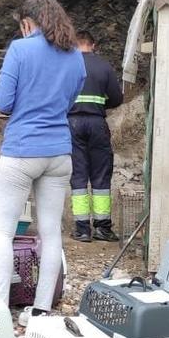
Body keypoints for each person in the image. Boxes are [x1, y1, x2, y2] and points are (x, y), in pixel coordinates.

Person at [0, 0, 85, 322]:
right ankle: (41, 309)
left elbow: (2, 102)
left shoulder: (20, 49)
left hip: (21, 150)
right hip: (59, 152)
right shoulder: (75, 56)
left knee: (2, 230)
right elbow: (71, 100)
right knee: (51, 232)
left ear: (28, 23)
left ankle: (0, 308)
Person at [68, 30, 124, 242]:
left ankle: (82, 229)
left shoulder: (67, 65)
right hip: (97, 123)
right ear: (94, 44)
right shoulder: (103, 66)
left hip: (71, 124)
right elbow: (117, 98)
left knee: (78, 175)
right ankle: (102, 228)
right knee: (100, 175)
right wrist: (100, 103)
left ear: (74, 45)